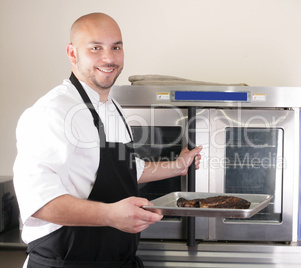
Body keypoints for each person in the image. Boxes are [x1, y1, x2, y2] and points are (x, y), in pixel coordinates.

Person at [13, 12, 202, 268]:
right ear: (72, 53)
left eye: (116, 47)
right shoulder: (52, 111)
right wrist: (111, 215)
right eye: (95, 48)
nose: (109, 58)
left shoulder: (114, 108)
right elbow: (38, 202)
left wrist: (178, 166)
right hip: (66, 263)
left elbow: (126, 169)